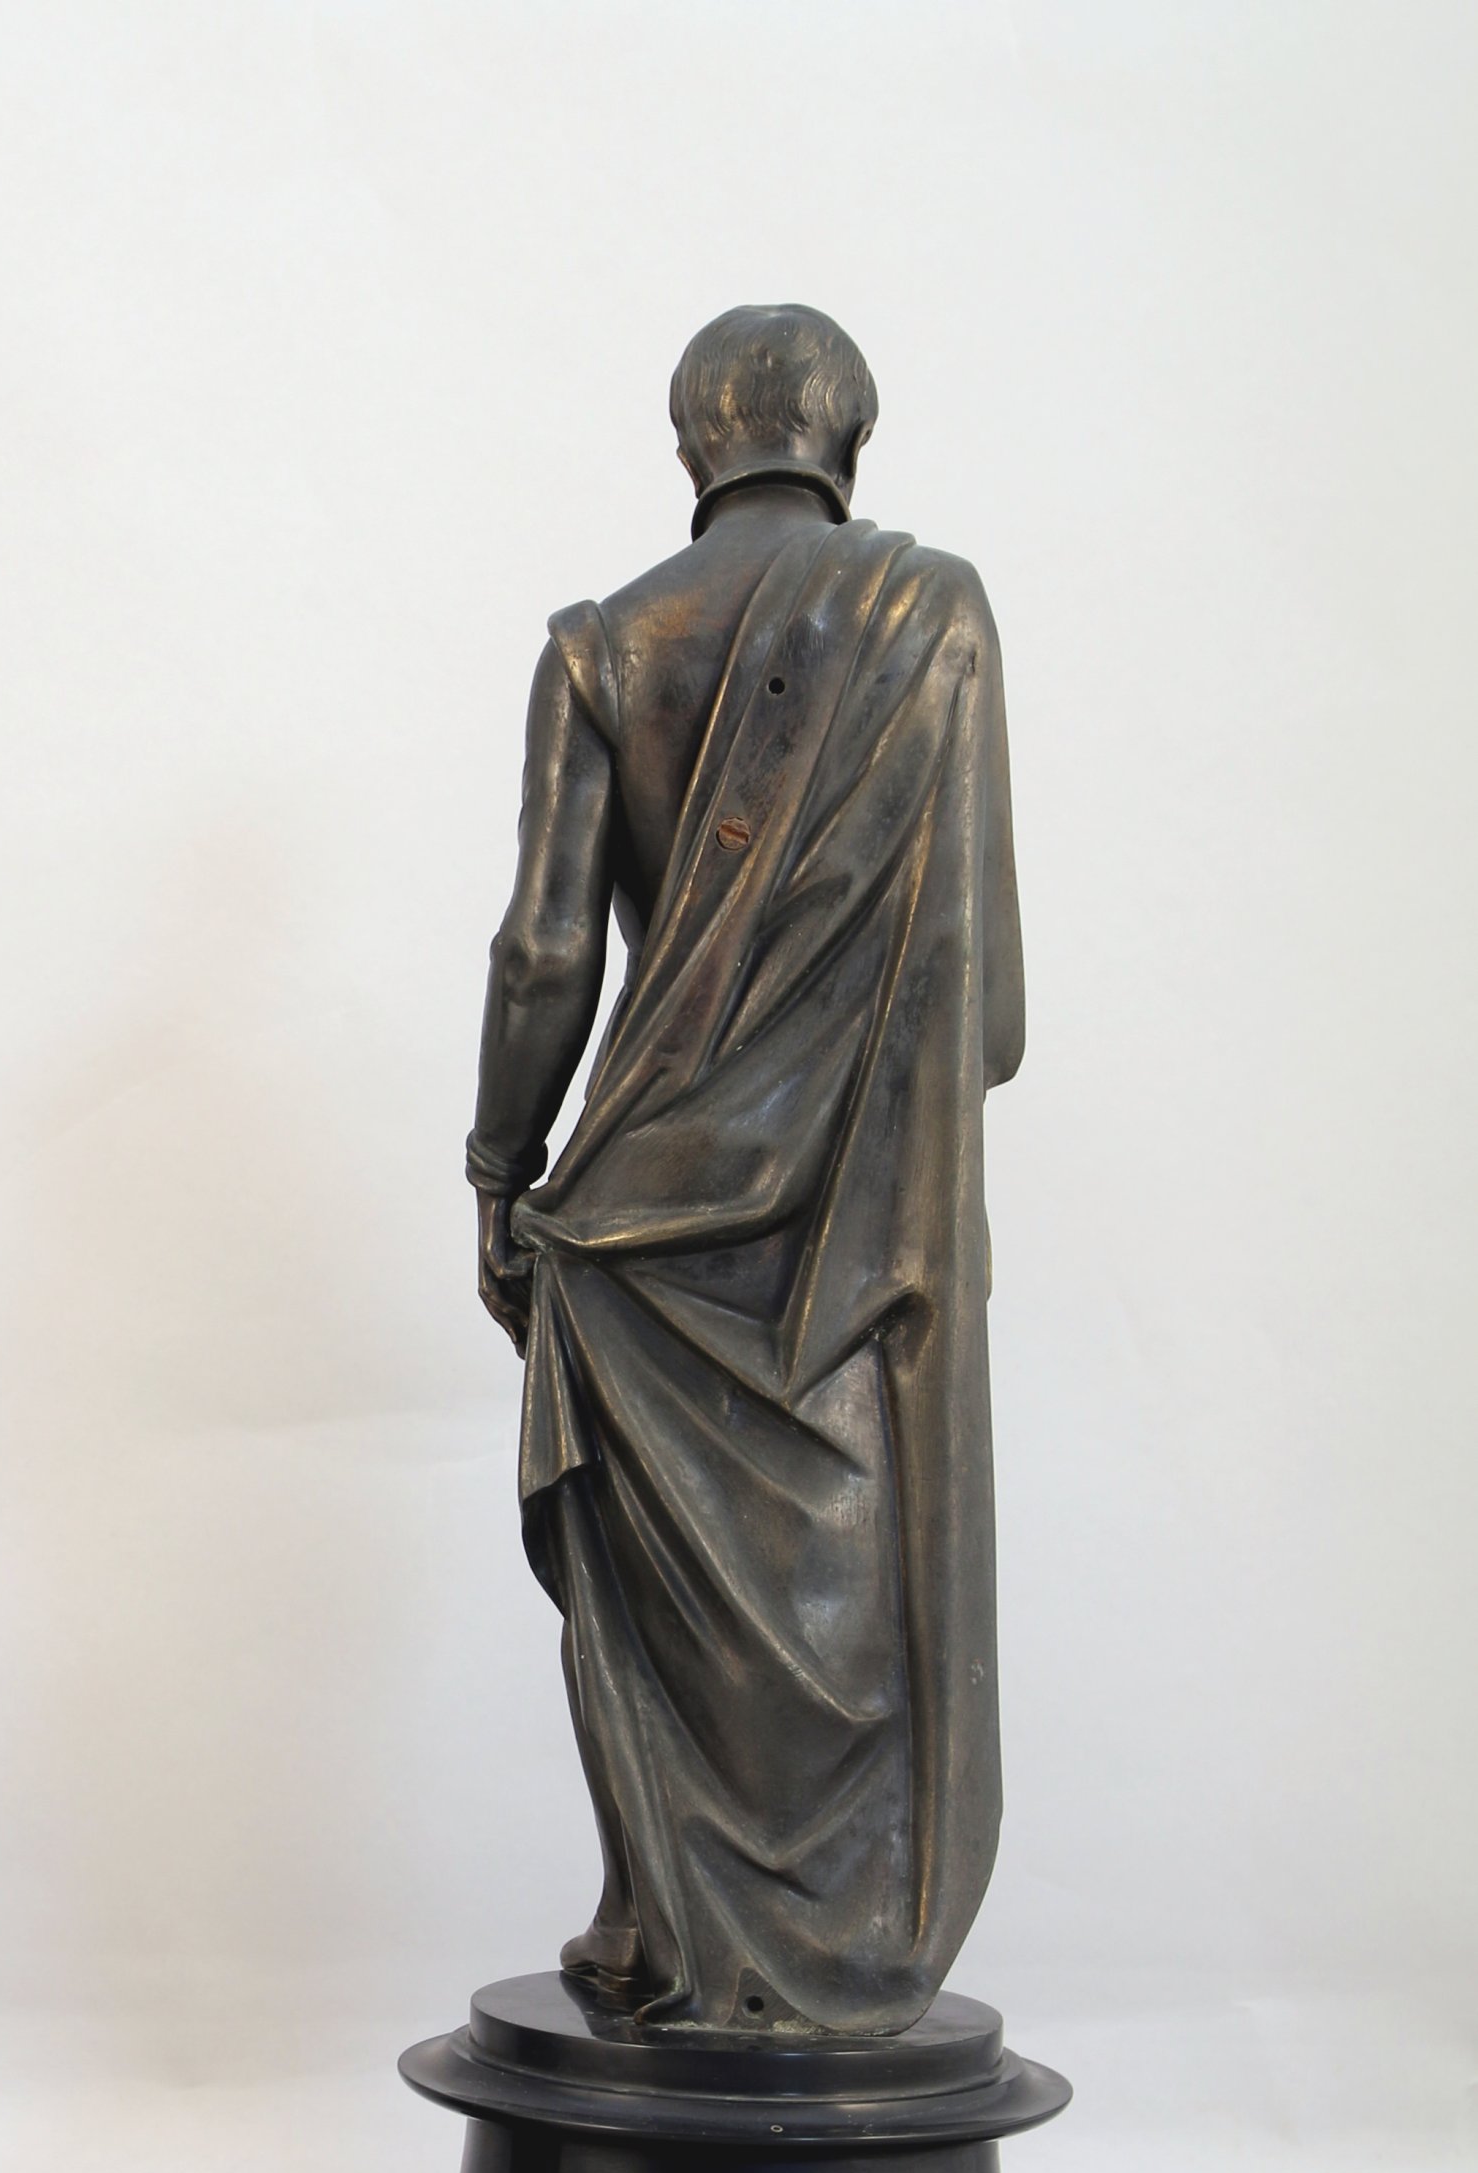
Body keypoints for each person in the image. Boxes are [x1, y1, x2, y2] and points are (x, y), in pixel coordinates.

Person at [468, 303, 1025, 2038]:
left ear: (691, 442)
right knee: (842, 1584)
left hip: (641, 1205)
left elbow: (546, 952)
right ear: (848, 437)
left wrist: (499, 1169)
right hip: (851, 1209)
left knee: (655, 1610)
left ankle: (661, 1923)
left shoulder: (601, 648)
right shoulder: (934, 617)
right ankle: (825, 1943)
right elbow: (989, 1007)